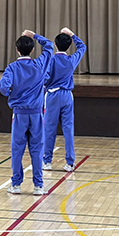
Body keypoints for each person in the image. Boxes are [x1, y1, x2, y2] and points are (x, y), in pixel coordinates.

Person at [0, 30, 54, 195]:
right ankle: (38, 186)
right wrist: (34, 35)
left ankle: (16, 184)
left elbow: (3, 86)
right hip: (36, 114)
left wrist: (12, 94)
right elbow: (49, 46)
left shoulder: (12, 68)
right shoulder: (39, 64)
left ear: (17, 50)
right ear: (32, 50)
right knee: (37, 149)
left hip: (19, 114)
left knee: (17, 150)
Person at [43, 28, 86, 173]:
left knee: (49, 129)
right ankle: (70, 162)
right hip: (67, 96)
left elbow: (45, 78)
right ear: (68, 46)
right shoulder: (71, 60)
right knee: (68, 129)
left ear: (55, 44)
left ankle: (47, 161)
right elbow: (82, 47)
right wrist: (72, 34)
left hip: (52, 96)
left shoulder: (50, 60)